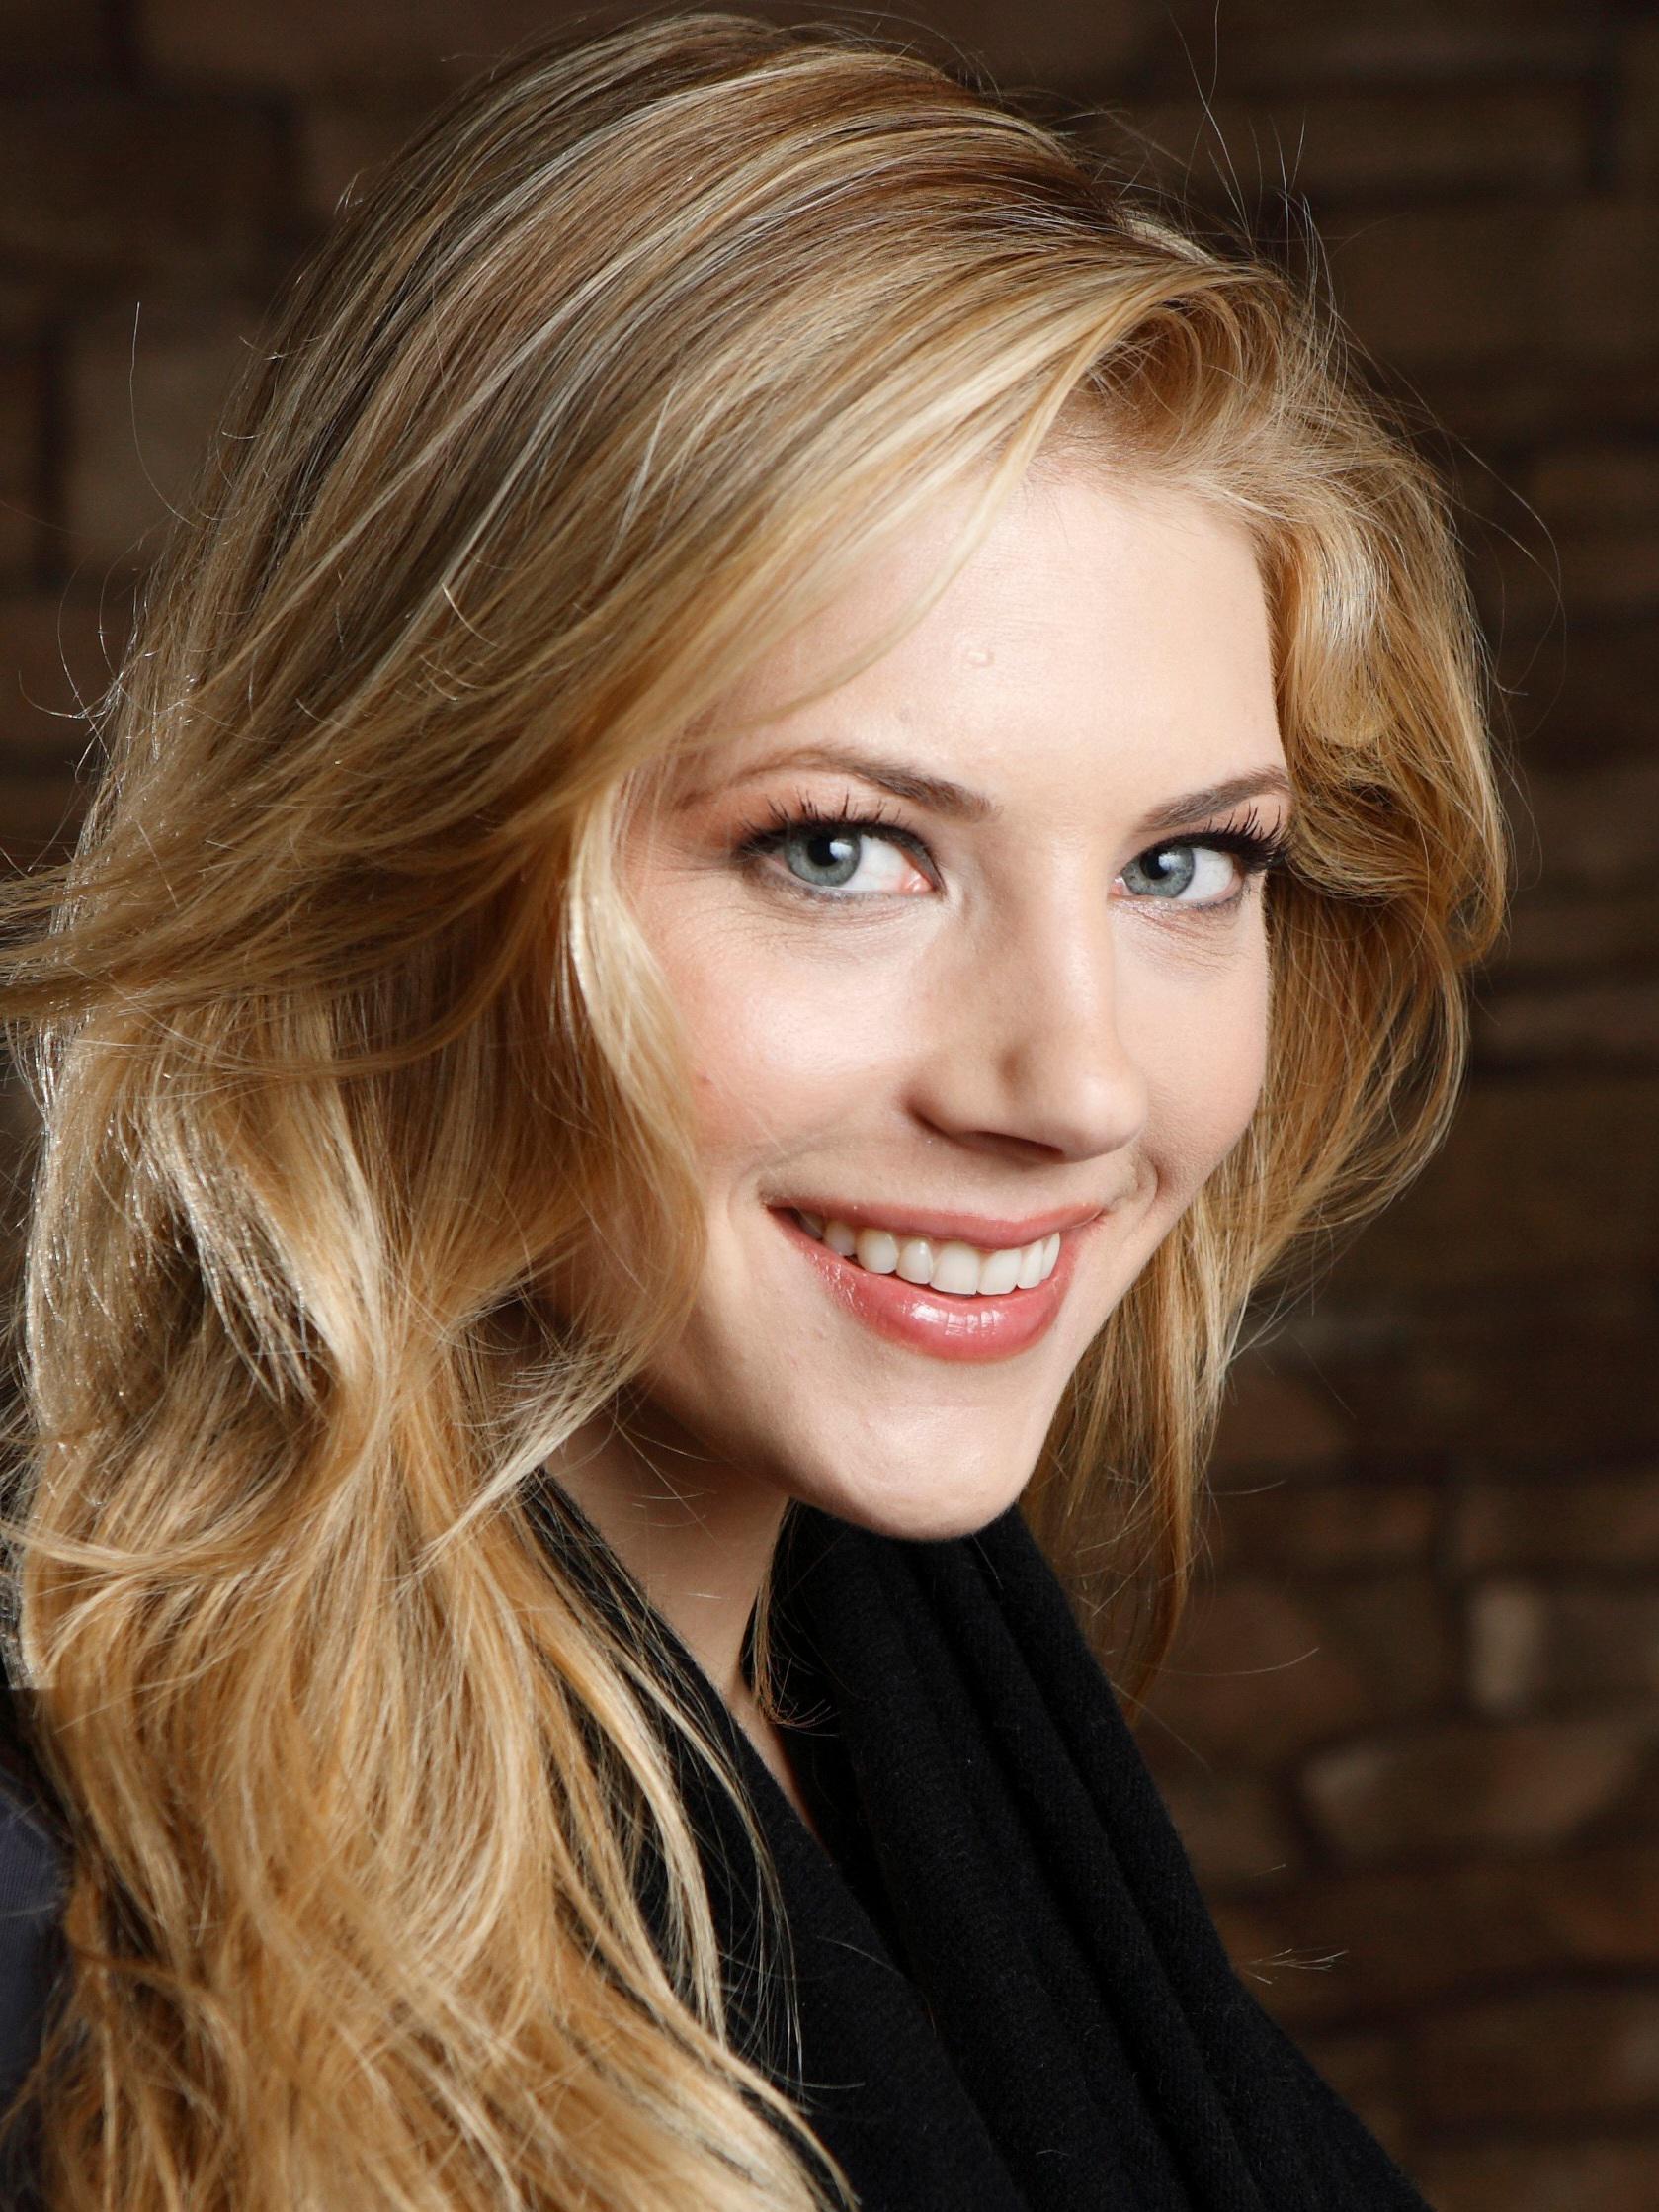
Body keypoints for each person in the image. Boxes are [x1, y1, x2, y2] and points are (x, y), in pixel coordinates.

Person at [0, 13, 1506, 2209]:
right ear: (397, 861)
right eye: (841, 847)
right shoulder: (68, 1971)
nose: (1080, 1084)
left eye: (1187, 863)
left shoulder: (933, 1732)